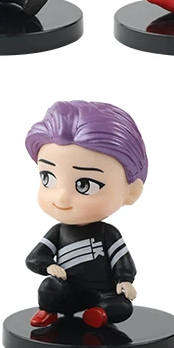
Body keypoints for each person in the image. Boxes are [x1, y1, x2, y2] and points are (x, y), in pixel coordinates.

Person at [23, 101, 147, 328]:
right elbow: (34, 258)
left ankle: (98, 314)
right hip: (67, 292)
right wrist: (48, 266)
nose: (61, 198)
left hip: (103, 293)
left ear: (131, 191)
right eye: (47, 178)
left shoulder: (108, 234)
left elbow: (123, 262)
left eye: (85, 185)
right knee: (49, 287)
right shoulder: (58, 232)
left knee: (122, 306)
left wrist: (125, 281)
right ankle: (48, 310)